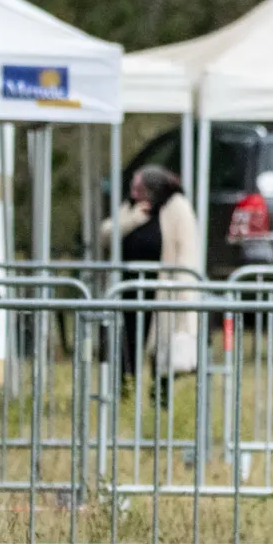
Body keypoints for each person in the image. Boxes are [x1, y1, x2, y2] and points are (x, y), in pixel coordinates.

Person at [100, 165, 203, 397]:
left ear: (153, 188)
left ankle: (160, 396)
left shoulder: (177, 207)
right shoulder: (132, 207)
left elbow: (187, 251)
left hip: (163, 290)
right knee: (127, 343)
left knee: (164, 348)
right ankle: (124, 391)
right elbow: (106, 233)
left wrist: (185, 290)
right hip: (127, 289)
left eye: (139, 189)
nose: (134, 194)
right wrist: (135, 219)